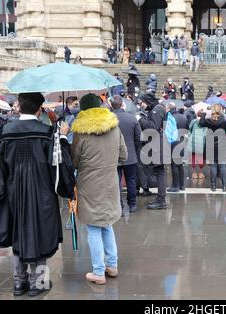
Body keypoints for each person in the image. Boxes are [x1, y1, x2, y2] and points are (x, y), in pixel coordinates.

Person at [0, 92, 75, 297]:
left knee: (17, 234)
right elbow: (59, 168)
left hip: (13, 192)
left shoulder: (4, 132)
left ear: (19, 107)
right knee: (40, 235)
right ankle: (38, 283)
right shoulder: (47, 132)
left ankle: (19, 283)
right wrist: (61, 136)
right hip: (41, 193)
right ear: (39, 109)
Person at [71, 94, 127, 285]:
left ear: (83, 110)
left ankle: (98, 271)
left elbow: (74, 161)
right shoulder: (114, 128)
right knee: (107, 223)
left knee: (93, 227)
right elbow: (124, 155)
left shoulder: (81, 132)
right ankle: (112, 265)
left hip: (89, 185)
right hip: (111, 182)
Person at [112, 95, 142, 213]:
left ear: (112, 105)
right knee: (131, 180)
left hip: (114, 155)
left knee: (116, 181)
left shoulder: (109, 119)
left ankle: (119, 205)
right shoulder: (132, 118)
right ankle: (132, 204)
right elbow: (139, 138)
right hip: (130, 155)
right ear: (122, 105)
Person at [137, 93, 168, 210]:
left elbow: (153, 127)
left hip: (158, 145)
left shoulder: (157, 109)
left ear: (148, 101)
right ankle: (160, 198)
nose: (141, 104)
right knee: (159, 172)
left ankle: (161, 200)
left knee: (160, 172)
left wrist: (140, 119)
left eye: (142, 102)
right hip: (158, 144)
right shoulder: (156, 108)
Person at [199, 104, 226, 192]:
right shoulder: (224, 121)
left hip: (211, 145)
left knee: (213, 166)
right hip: (222, 145)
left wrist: (204, 113)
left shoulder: (209, 121)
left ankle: (213, 186)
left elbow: (201, 123)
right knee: (222, 166)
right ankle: (224, 186)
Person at [167, 103, 189, 193]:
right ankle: (182, 185)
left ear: (169, 109)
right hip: (182, 141)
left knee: (174, 165)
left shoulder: (170, 118)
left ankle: (175, 186)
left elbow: (168, 131)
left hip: (173, 142)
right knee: (179, 164)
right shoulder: (183, 116)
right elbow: (187, 129)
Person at [188, 110, 207, 179]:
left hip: (194, 140)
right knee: (202, 157)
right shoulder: (206, 122)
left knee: (193, 156)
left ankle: (194, 173)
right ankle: (201, 173)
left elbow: (190, 128)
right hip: (203, 140)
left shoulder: (194, 121)